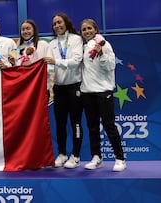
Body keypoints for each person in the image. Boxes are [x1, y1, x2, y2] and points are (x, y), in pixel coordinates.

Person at [80, 18, 126, 172]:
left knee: (109, 126)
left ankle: (120, 159)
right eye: (84, 29)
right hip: (87, 92)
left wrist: (101, 54)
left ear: (96, 30)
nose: (87, 31)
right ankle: (96, 157)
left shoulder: (105, 44)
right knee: (92, 127)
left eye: (89, 28)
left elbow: (110, 66)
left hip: (103, 91)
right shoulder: (84, 47)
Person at [44, 13, 84, 169]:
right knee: (60, 123)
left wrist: (56, 62)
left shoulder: (76, 39)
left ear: (66, 23)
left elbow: (76, 62)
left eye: (59, 22)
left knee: (76, 122)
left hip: (75, 87)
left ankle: (75, 155)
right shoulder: (52, 43)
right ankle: (62, 154)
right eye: (54, 24)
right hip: (58, 88)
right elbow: (48, 66)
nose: (57, 26)